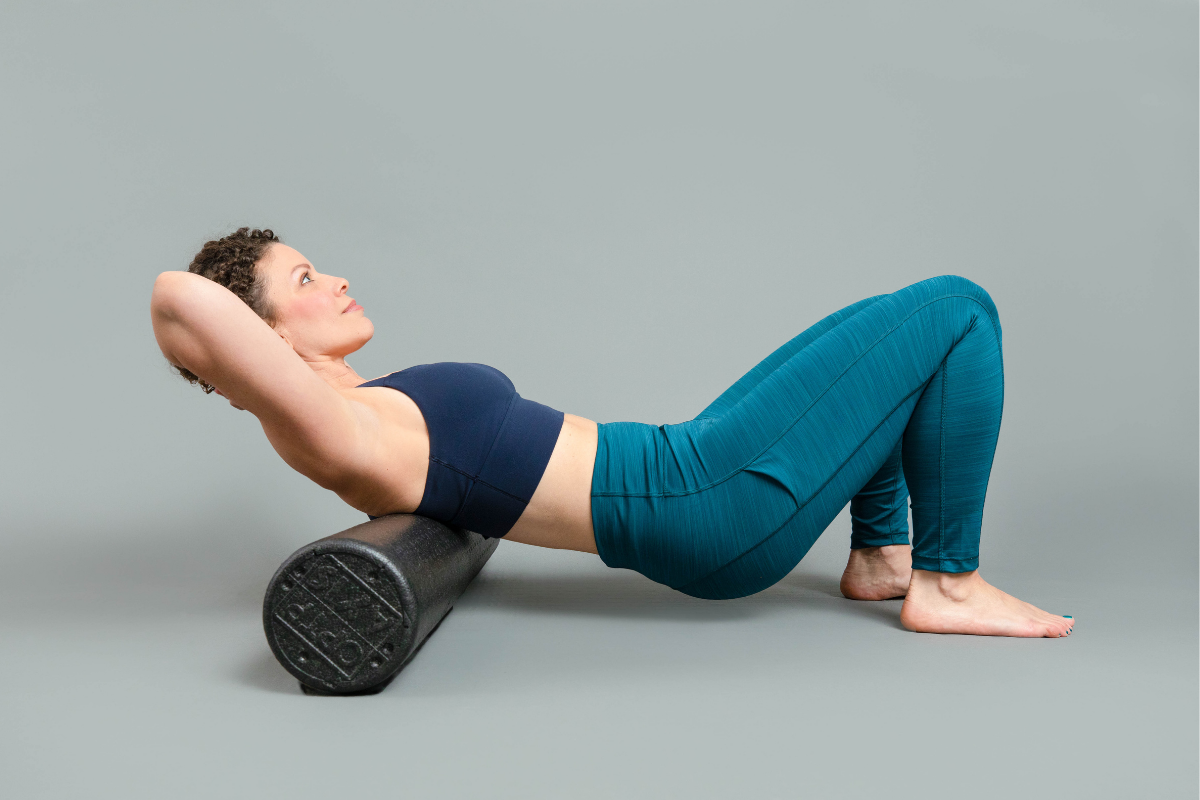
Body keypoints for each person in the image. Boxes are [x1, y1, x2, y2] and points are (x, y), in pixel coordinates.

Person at [151, 227, 1074, 638]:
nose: (337, 280)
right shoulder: (331, 427)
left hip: (689, 468)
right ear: (263, 338)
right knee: (956, 309)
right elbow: (177, 299)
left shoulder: (366, 401)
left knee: (884, 329)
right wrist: (246, 341)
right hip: (704, 500)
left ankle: (884, 557)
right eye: (305, 279)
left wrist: (274, 310)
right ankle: (949, 586)